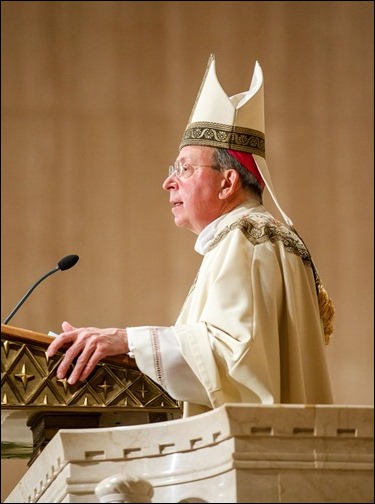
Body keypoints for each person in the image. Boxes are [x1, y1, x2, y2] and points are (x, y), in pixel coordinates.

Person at [46, 54, 334, 417]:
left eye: (184, 168)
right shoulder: (262, 237)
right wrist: (125, 354)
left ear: (228, 181)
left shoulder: (244, 237)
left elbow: (232, 362)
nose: (168, 181)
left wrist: (125, 340)